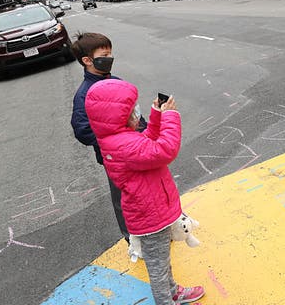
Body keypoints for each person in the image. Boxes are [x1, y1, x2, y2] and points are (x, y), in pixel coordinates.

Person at [85, 80, 205, 305]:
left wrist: (157, 115)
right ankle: (166, 299)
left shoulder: (118, 139)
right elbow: (164, 150)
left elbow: (146, 142)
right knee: (158, 267)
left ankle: (173, 292)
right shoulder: (123, 145)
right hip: (151, 215)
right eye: (132, 110)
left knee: (161, 261)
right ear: (118, 117)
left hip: (150, 211)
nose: (136, 113)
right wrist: (170, 117)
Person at [71, 33, 145, 245]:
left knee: (146, 191)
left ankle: (155, 229)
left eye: (110, 53)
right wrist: (115, 139)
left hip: (138, 149)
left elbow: (135, 112)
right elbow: (82, 130)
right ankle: (133, 239)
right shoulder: (84, 94)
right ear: (87, 60)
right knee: (124, 198)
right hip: (114, 157)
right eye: (104, 54)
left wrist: (146, 133)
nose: (110, 57)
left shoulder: (116, 82)